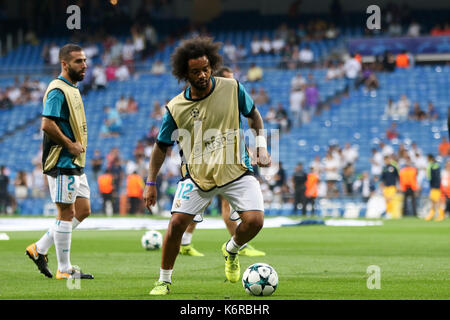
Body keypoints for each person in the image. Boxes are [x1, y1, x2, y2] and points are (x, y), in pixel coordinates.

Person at [143, 37, 271, 295]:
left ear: (211, 66)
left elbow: (254, 115)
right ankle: (164, 280)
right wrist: (151, 182)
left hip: (236, 170)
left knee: (255, 221)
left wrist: (261, 146)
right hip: (198, 176)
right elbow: (160, 146)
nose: (202, 75)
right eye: (195, 71)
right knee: (177, 224)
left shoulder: (232, 87)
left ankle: (231, 250)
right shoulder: (175, 107)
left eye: (206, 69)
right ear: (184, 73)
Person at [179, 66, 266, 258]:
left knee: (212, 203)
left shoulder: (232, 99)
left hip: (228, 161)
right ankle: (236, 244)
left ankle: (187, 242)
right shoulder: (200, 104)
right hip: (204, 162)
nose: (233, 85)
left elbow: (248, 121)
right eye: (228, 80)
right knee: (204, 203)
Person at [25, 44, 93, 280]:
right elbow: (47, 124)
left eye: (84, 61)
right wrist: (69, 144)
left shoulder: (72, 88)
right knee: (66, 212)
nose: (84, 65)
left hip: (75, 161)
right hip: (62, 160)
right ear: (64, 64)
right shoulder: (57, 90)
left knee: (83, 210)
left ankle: (39, 248)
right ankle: (64, 269)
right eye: (78, 62)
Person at [424, 155, 445, 221]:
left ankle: (441, 215)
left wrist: (434, 186)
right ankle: (432, 214)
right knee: (433, 201)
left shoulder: (432, 165)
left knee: (436, 201)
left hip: (435, 186)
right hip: (434, 186)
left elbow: (432, 177)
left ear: (430, 158)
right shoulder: (435, 165)